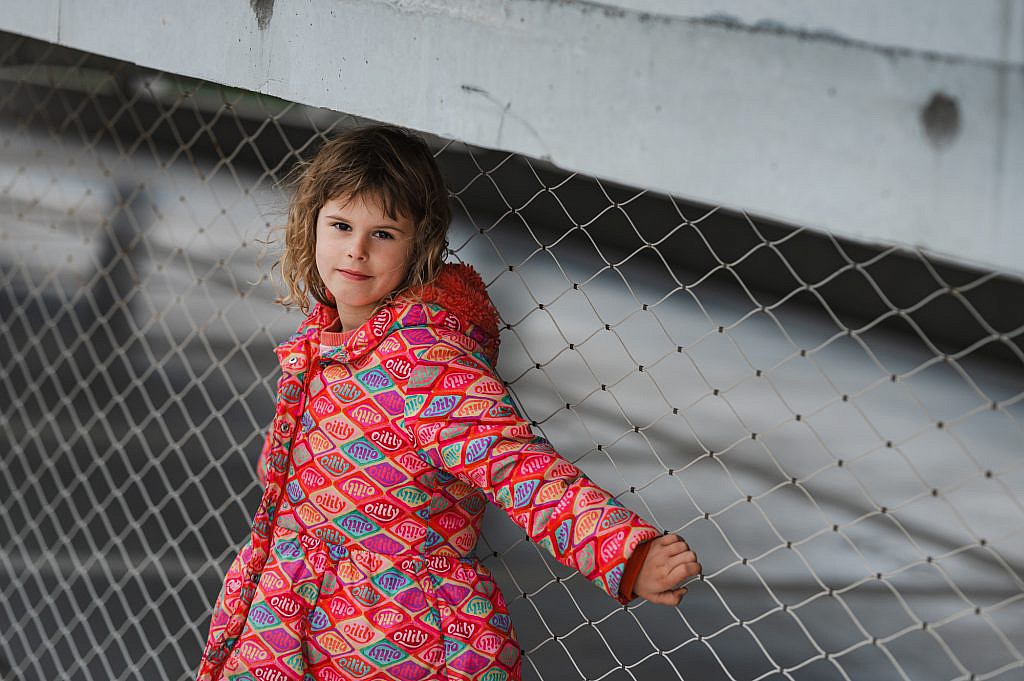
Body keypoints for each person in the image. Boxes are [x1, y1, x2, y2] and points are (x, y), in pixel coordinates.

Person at [196, 125, 701, 681]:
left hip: (399, 637)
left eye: (383, 233)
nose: (356, 250)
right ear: (310, 227)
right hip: (292, 620)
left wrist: (624, 554)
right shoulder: (323, 341)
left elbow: (521, 466)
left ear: (420, 244)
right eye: (340, 225)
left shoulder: (428, 366)